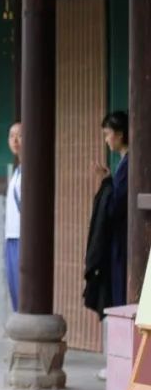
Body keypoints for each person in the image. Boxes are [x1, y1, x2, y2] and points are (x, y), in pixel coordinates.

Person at [84, 111, 129, 317]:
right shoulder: (123, 164)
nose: (106, 139)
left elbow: (115, 207)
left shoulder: (129, 164)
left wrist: (106, 181)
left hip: (122, 239)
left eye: (107, 134)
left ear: (119, 135)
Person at [4, 122, 22, 311]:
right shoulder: (17, 170)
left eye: (20, 135)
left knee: (23, 288)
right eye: (11, 136)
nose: (15, 140)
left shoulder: (30, 170)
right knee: (14, 289)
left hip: (22, 238)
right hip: (11, 236)